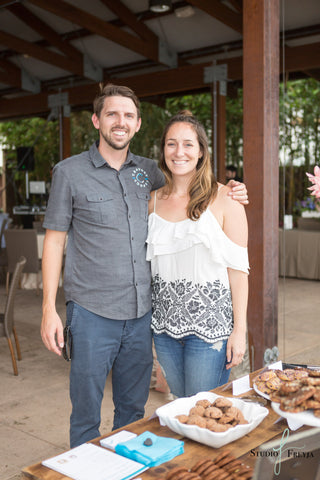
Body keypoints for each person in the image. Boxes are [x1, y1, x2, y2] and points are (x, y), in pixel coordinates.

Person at [40, 83, 249, 448]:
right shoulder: (69, 173)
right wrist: (48, 308)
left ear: (137, 125)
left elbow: (193, 187)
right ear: (96, 120)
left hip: (142, 318)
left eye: (129, 116)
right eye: (112, 114)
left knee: (134, 414)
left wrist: (233, 189)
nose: (120, 122)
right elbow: (55, 241)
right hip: (91, 314)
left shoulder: (150, 174)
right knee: (87, 414)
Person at [146, 111, 249, 398]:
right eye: (171, 143)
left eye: (188, 144)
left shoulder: (227, 199)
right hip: (164, 330)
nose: (179, 152)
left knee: (205, 410)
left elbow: (239, 273)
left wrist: (239, 331)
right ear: (163, 149)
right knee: (181, 406)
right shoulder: (151, 201)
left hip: (211, 332)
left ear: (201, 151)